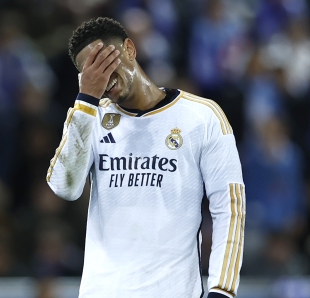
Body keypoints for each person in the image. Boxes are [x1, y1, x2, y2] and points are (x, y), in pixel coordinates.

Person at [46, 17, 245, 298]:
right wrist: (86, 100)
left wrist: (222, 290)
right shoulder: (90, 117)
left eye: (104, 61)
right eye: (89, 72)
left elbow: (230, 208)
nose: (102, 77)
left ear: (129, 49)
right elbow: (65, 188)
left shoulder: (202, 116)